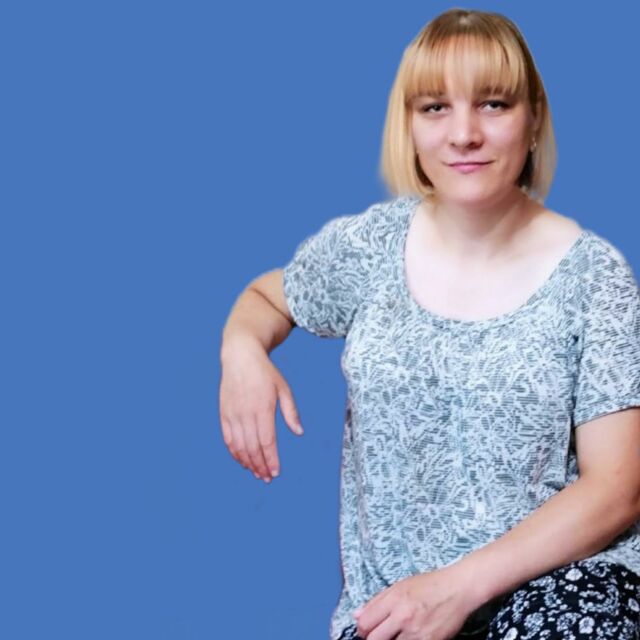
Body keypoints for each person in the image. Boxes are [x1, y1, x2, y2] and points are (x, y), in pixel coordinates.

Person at [219, 8, 640, 640]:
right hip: (396, 611)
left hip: (562, 597)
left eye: (493, 104)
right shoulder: (369, 248)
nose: (464, 134)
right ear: (410, 125)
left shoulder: (593, 277)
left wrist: (457, 588)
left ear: (533, 120)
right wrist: (242, 351)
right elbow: (266, 299)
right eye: (435, 107)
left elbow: (617, 488)